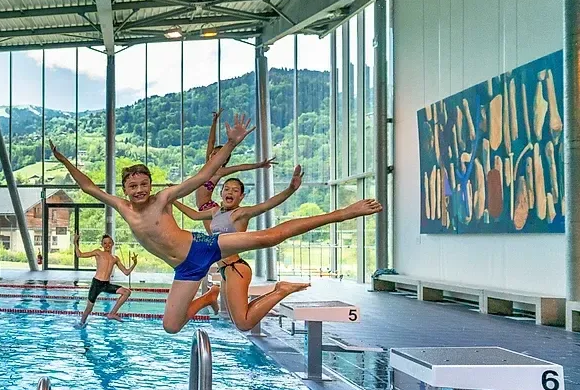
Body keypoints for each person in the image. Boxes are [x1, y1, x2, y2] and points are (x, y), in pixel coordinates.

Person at [49, 113, 382, 335]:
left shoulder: (163, 198)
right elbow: (88, 187)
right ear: (125, 190)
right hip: (186, 271)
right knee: (170, 326)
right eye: (133, 187)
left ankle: (345, 212)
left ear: (150, 184)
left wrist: (233, 143)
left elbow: (205, 174)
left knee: (269, 237)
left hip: (202, 247)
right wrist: (65, 160)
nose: (139, 191)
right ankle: (210, 297)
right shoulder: (122, 206)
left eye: (143, 184)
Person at [174, 165, 310, 331]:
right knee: (237, 319)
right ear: (221, 192)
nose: (230, 192)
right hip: (225, 270)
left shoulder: (241, 214)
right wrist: (171, 199)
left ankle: (281, 291)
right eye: (227, 189)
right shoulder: (215, 212)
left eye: (235, 190)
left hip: (236, 268)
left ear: (241, 196)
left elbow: (266, 205)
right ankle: (279, 290)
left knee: (244, 323)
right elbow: (193, 215)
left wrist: (290, 189)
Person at [75, 234, 138, 326]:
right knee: (89, 309)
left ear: (112, 243)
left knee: (126, 292)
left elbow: (126, 272)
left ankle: (112, 313)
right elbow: (79, 255)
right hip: (96, 284)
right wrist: (75, 243)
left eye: (109, 243)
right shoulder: (98, 252)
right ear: (102, 244)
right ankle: (81, 323)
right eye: (105, 243)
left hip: (106, 285)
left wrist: (134, 263)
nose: (107, 245)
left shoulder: (115, 258)